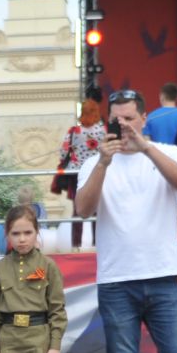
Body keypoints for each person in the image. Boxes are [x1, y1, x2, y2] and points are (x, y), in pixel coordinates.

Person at [74, 89, 177, 353]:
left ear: (144, 119)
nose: (124, 125)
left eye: (129, 118)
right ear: (108, 124)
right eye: (117, 120)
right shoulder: (93, 163)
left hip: (163, 275)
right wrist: (103, 162)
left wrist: (146, 148)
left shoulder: (169, 152)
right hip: (117, 280)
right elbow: (83, 209)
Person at [0, 205, 67, 353]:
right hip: (9, 343)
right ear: (7, 234)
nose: (22, 239)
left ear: (37, 232)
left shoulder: (48, 266)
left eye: (28, 233)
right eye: (15, 234)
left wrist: (55, 347)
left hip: (40, 342)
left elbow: (57, 312)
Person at [55, 99, 106, 246]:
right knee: (97, 210)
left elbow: (63, 152)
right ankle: (97, 244)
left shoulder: (74, 131)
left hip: (76, 174)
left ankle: (76, 245)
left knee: (77, 210)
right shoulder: (102, 131)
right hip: (97, 171)